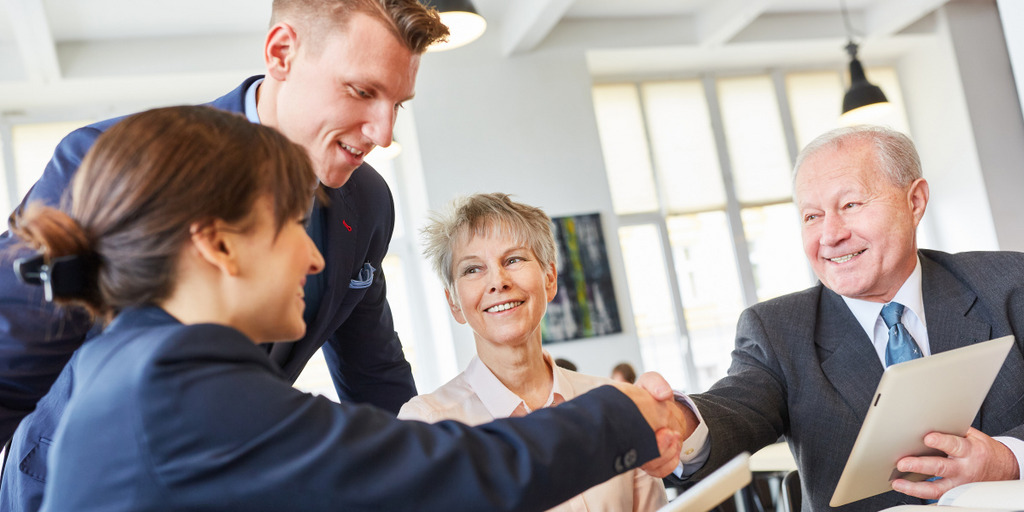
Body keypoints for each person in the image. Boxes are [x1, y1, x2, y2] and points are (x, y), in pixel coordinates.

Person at [11, 106, 684, 511]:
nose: (315, 259)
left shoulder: (130, 361)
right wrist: (623, 413)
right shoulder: (179, 379)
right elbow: (438, 473)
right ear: (218, 243)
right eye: (291, 228)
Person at [0, 1, 446, 509]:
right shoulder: (111, 158)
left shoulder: (368, 201)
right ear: (282, 53)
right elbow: (5, 365)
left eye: (398, 104)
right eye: (362, 91)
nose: (383, 134)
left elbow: (374, 373)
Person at [660, 125, 1024, 511]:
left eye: (850, 205)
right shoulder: (778, 332)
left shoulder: (1009, 285)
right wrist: (674, 422)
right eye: (812, 216)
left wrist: (1007, 458)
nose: (830, 235)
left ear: (915, 201)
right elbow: (735, 410)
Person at [398, 193, 668, 511]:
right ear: (454, 302)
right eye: (472, 269)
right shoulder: (427, 425)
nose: (498, 281)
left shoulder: (615, 404)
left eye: (513, 260)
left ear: (550, 278)